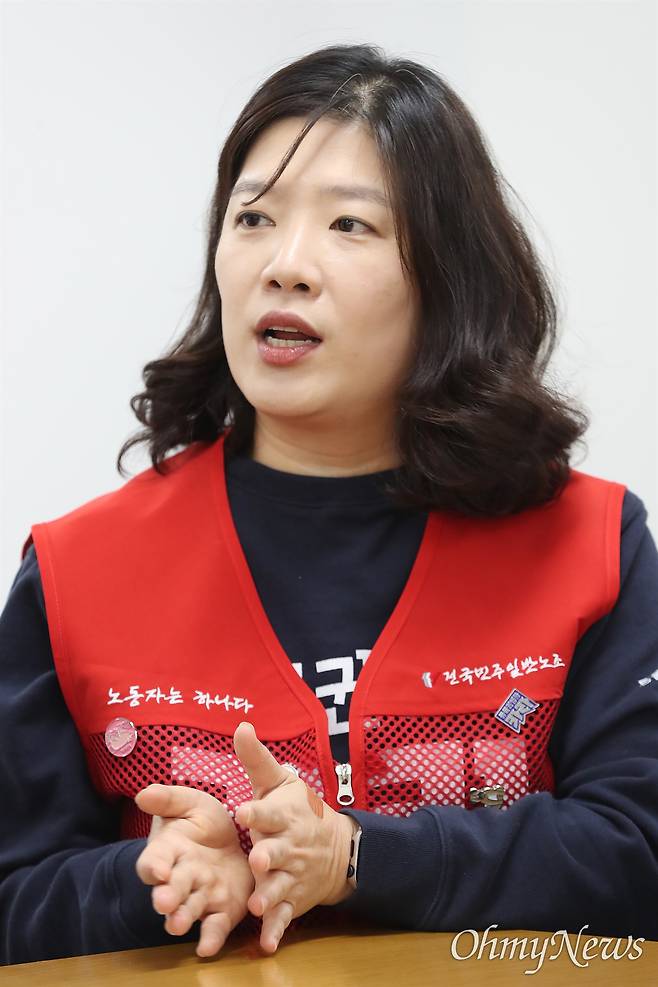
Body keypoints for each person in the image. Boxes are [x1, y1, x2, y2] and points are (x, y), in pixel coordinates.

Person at [1, 42, 657, 966]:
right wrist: (152, 879)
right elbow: (14, 897)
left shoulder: (590, 546)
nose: (286, 264)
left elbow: (638, 852)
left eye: (351, 224)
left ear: (448, 277)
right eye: (254, 217)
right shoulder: (78, 571)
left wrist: (358, 856)